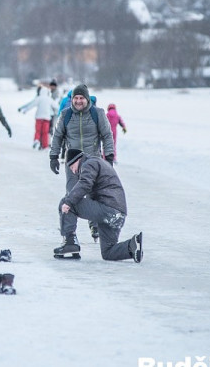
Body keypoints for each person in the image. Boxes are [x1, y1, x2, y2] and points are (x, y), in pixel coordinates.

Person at [49, 84, 114, 242]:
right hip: (72, 163)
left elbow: (107, 135)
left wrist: (109, 156)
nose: (78, 101)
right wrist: (53, 156)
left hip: (93, 162)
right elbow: (58, 136)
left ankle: (95, 225)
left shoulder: (97, 113)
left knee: (94, 195)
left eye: (81, 98)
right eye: (76, 98)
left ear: (87, 99)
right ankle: (69, 237)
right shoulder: (65, 115)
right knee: (72, 196)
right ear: (72, 99)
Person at [54, 148, 142, 263]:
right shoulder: (97, 163)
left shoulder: (89, 164)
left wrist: (69, 202)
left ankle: (70, 243)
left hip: (108, 208)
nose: (74, 171)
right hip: (118, 214)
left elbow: (85, 184)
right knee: (108, 252)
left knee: (66, 202)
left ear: (76, 160)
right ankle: (132, 245)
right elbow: (92, 197)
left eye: (72, 168)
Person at [18, 85, 58, 150]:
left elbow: (31, 105)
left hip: (39, 118)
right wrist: (59, 112)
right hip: (46, 118)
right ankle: (45, 145)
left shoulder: (38, 98)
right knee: (45, 132)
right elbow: (56, 106)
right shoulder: (49, 99)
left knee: (38, 130)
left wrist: (25, 110)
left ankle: (36, 140)